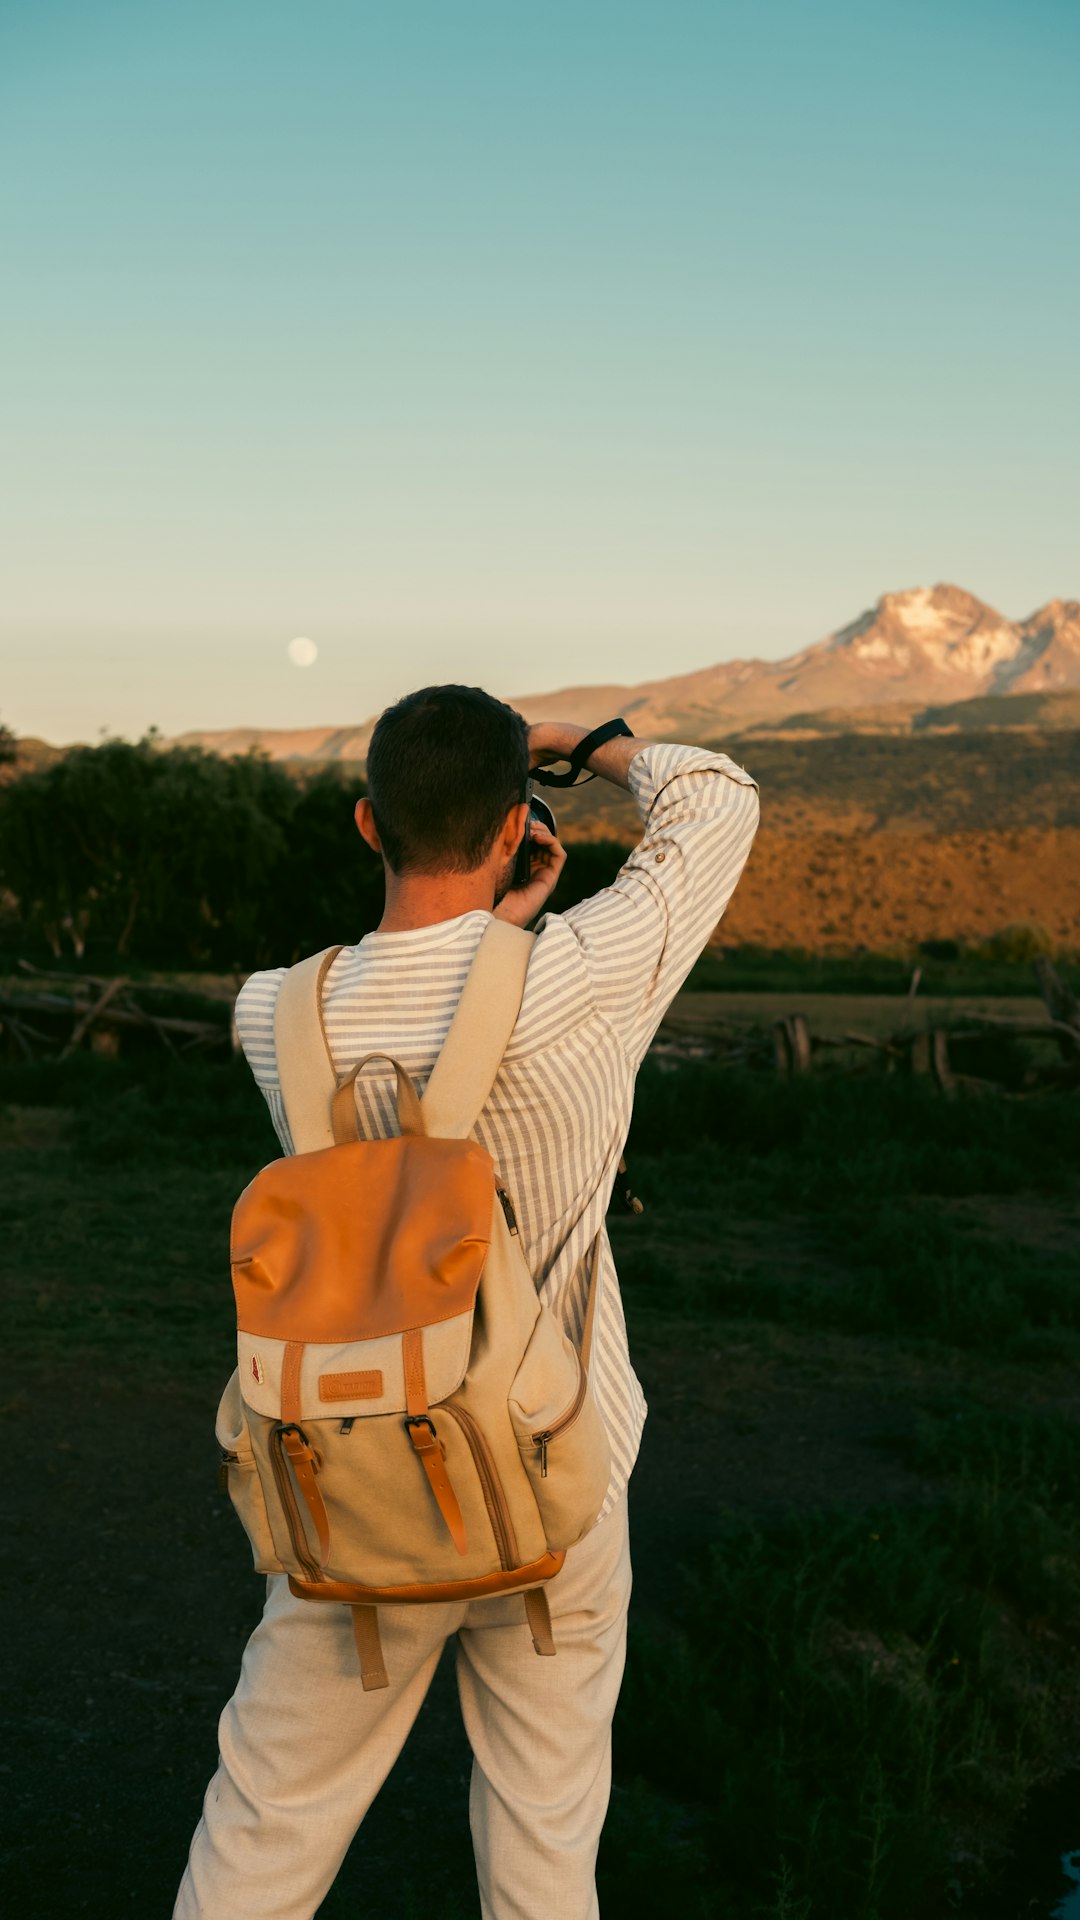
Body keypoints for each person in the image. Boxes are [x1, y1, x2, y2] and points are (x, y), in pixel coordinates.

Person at [174, 684, 760, 1920]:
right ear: (512, 830)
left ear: (366, 824)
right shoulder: (578, 983)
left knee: (263, 1831)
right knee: (545, 1846)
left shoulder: (270, 1013)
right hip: (554, 1476)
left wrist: (491, 905)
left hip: (350, 1474)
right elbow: (715, 800)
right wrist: (584, 748)